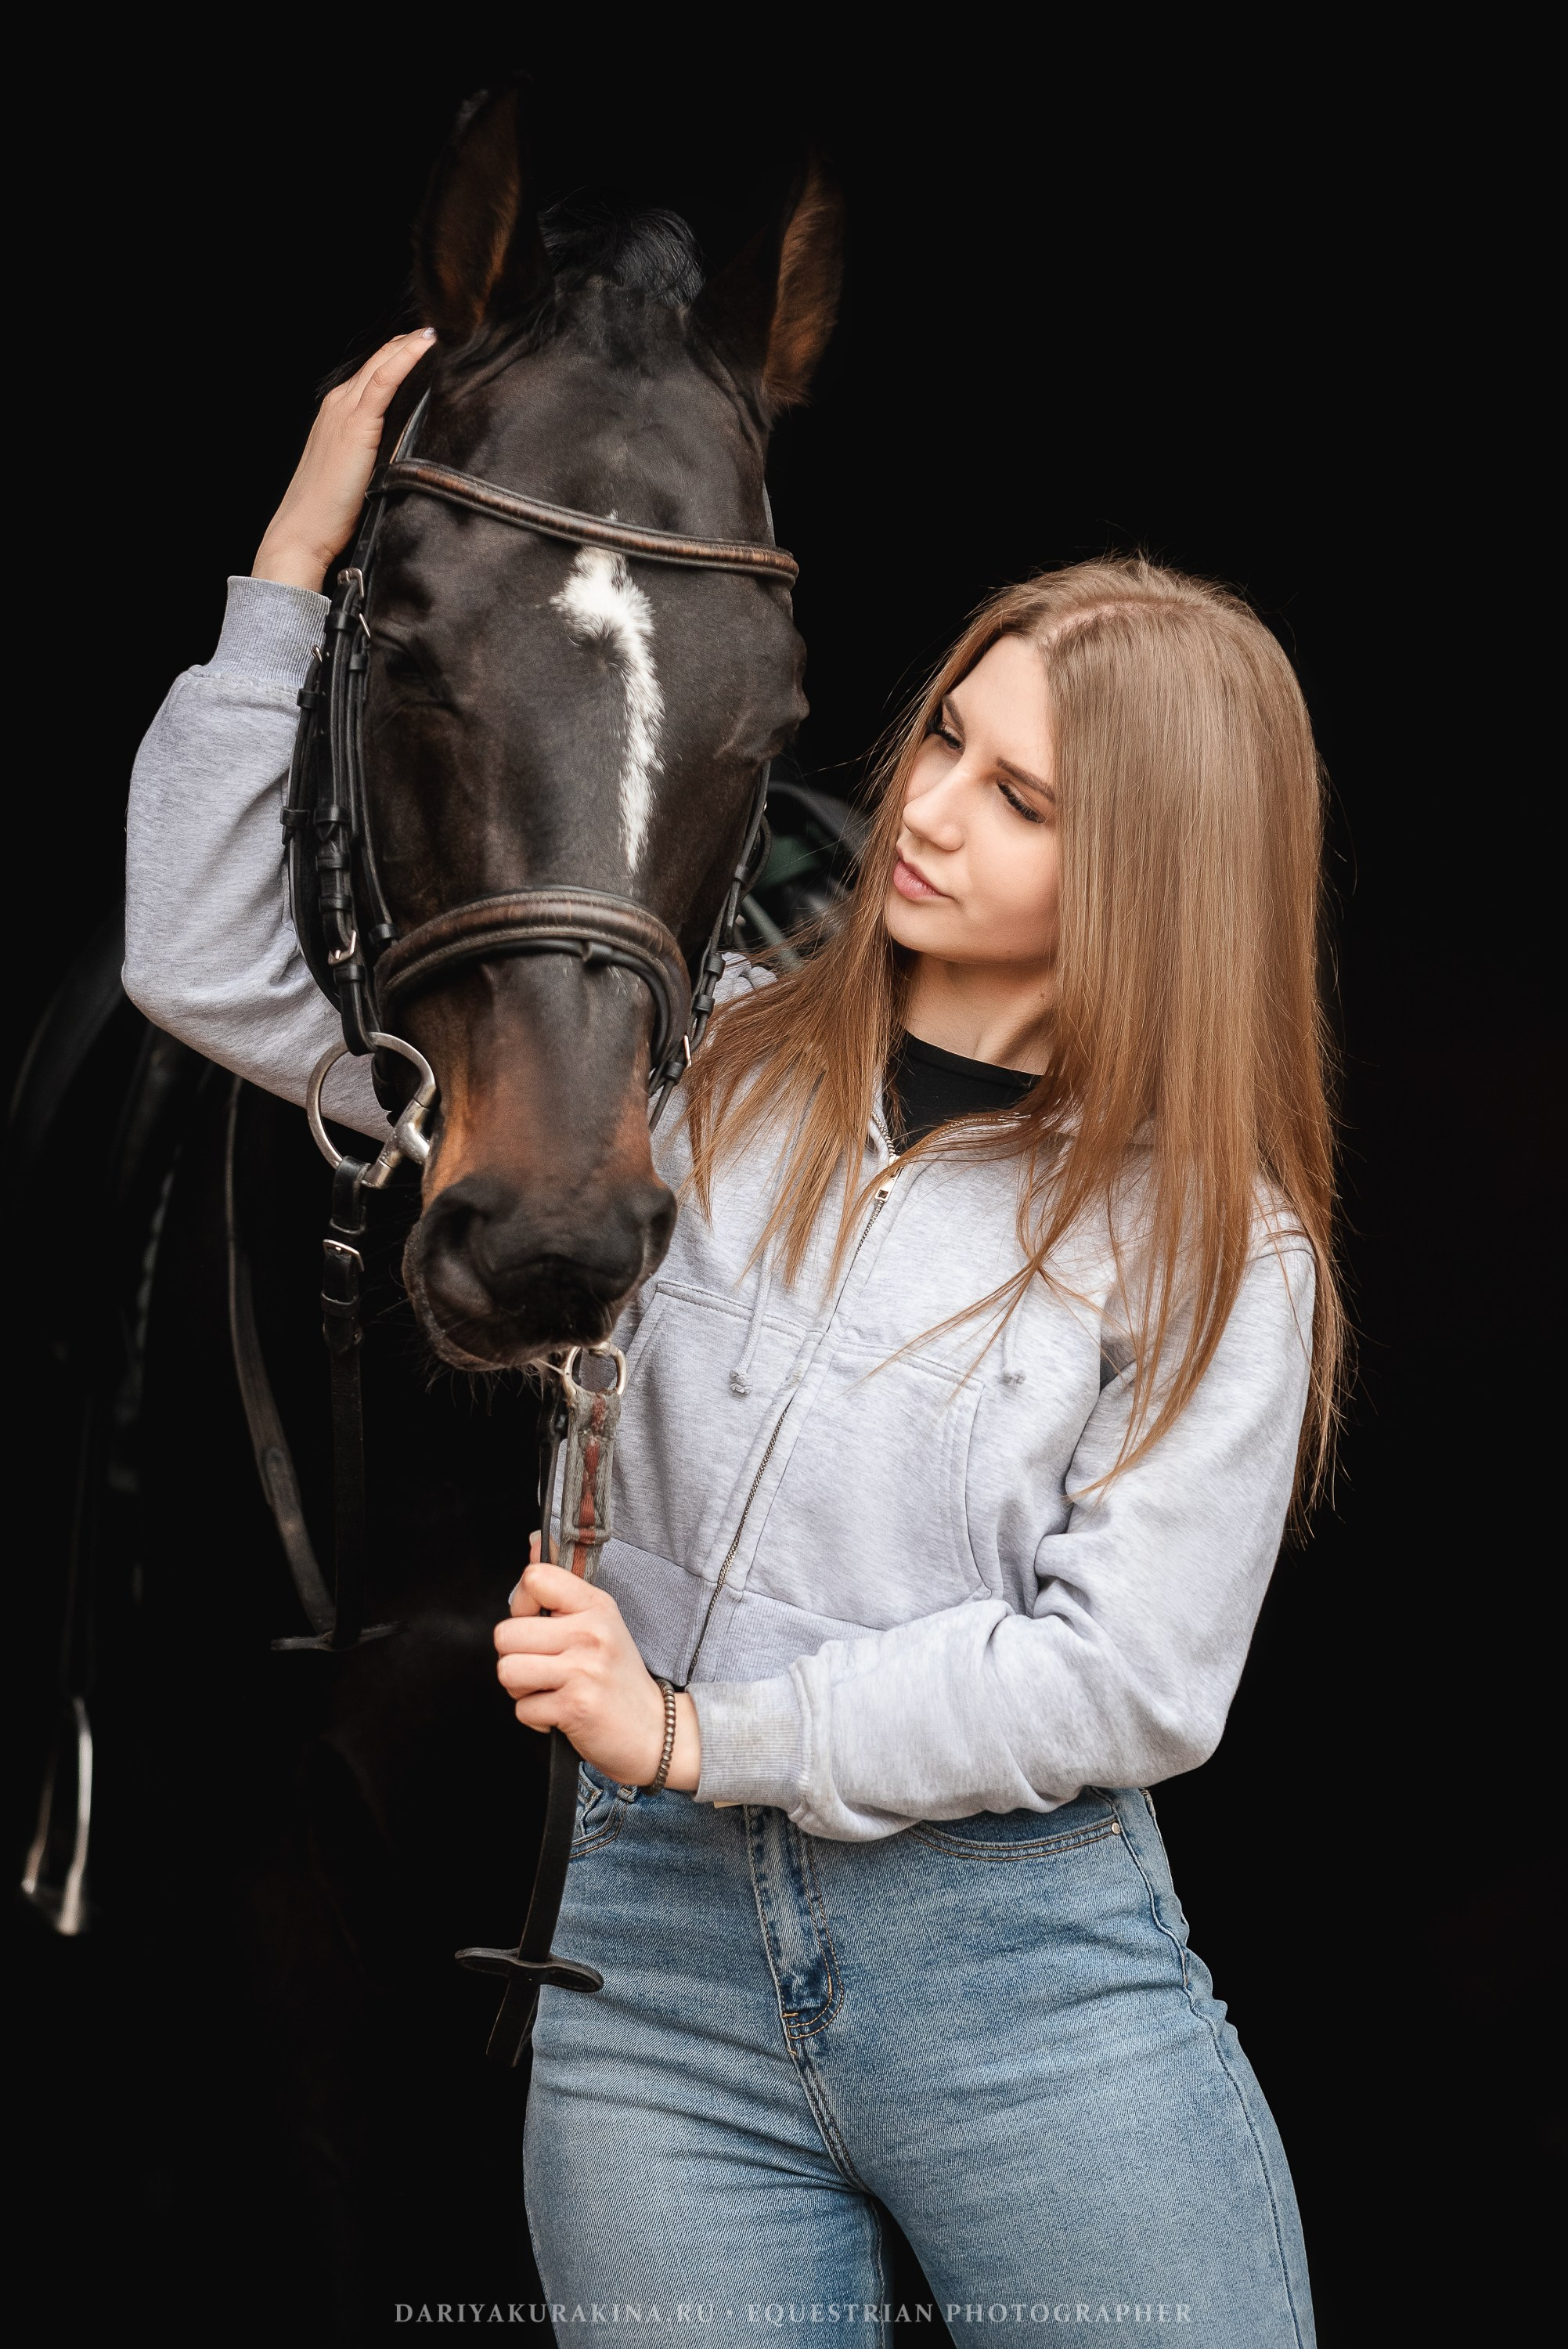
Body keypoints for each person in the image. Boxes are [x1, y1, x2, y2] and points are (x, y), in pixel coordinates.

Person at [125, 332, 1337, 2347]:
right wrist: (289, 572)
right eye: (943, 739)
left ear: (1157, 871)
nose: (925, 808)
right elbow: (204, 964)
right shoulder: (690, 1086)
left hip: (1028, 1986)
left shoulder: (1218, 1244)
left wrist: (709, 1736)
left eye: (1019, 795)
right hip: (645, 1985)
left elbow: (1130, 1681)